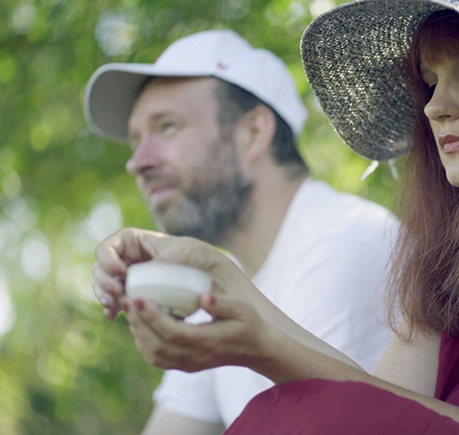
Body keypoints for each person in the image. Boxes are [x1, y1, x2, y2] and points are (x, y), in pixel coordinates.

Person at [93, 1, 459, 434]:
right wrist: (229, 292)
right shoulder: (454, 255)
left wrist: (260, 337)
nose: (435, 106)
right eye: (429, 81)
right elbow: (384, 411)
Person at [84, 29, 398, 434]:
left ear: (253, 132)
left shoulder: (344, 245)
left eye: (166, 127)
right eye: (135, 141)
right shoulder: (215, 283)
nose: (137, 162)